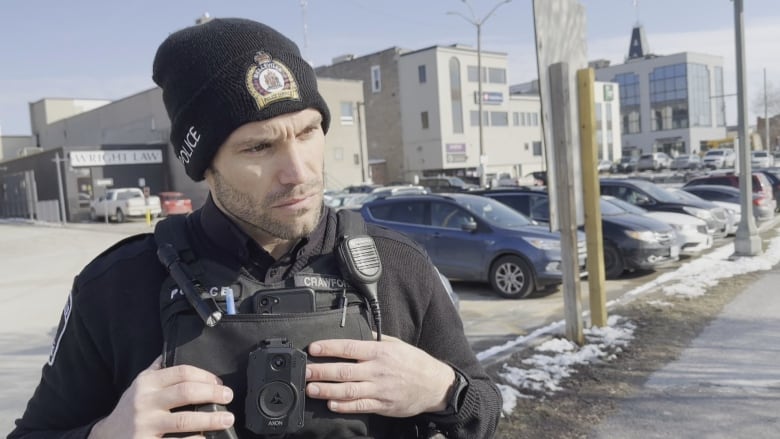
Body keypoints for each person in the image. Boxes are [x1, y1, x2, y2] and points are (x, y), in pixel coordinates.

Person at [9, 17, 501, 439]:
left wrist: (443, 391)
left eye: (308, 132)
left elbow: (484, 408)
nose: (300, 172)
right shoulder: (118, 287)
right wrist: (107, 433)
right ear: (203, 165)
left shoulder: (395, 267)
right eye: (259, 147)